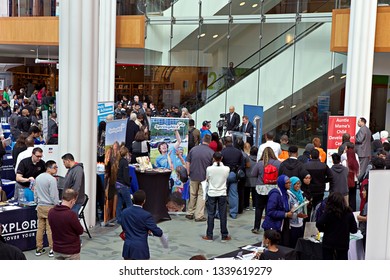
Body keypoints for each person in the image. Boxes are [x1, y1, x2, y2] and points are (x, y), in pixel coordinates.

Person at [121, 190, 163, 260]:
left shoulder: (125, 212)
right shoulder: (146, 215)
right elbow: (158, 232)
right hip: (140, 250)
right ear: (144, 201)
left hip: (127, 248)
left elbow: (124, 227)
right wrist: (149, 231)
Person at [316, 192, 358, 260]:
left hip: (328, 242)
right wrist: (346, 229)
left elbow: (318, 223)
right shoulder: (348, 212)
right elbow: (354, 230)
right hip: (343, 243)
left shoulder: (328, 212)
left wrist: (324, 230)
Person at [251, 147, 281, 234]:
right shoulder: (278, 163)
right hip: (273, 189)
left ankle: (256, 227)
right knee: (270, 208)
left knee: (259, 208)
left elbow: (253, 174)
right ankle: (269, 226)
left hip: (261, 188)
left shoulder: (260, 163)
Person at [33, 160, 60, 257]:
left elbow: (35, 192)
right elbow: (54, 195)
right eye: (55, 167)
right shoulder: (52, 180)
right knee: (50, 229)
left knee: (40, 228)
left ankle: (39, 248)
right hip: (49, 207)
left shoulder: (38, 177)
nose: (56, 169)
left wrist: (37, 202)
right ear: (49, 168)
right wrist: (57, 205)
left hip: (40, 206)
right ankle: (52, 249)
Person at [202, 152, 231, 242]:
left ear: (213, 158)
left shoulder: (209, 169)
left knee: (210, 214)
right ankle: (224, 235)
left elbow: (207, 179)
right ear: (221, 158)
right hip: (222, 192)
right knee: (223, 215)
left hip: (212, 192)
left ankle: (209, 235)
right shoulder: (226, 169)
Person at [48, 189, 84, 260]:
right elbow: (80, 231)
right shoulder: (71, 215)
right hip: (71, 251)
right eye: (74, 202)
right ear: (72, 201)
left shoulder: (51, 212)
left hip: (57, 249)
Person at [185, 134, 214, 222]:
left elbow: (187, 162)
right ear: (210, 142)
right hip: (204, 177)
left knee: (192, 194)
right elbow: (212, 167)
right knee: (202, 195)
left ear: (202, 140)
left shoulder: (193, 149)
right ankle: (199, 215)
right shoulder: (211, 152)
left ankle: (190, 212)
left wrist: (188, 172)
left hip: (193, 175)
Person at [262, 175, 295, 247]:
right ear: (282, 184)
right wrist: (285, 214)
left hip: (282, 225)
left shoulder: (286, 193)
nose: (290, 184)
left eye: (290, 182)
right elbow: (270, 211)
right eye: (287, 183)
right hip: (274, 226)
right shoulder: (275, 195)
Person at [221, 136, 244, 219]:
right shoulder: (238, 152)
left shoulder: (223, 152)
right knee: (233, 194)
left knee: (222, 193)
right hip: (234, 173)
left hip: (224, 174)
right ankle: (233, 213)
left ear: (225, 143)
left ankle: (221, 212)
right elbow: (242, 164)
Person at [288, 177, 307, 248]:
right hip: (292, 223)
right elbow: (289, 210)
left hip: (300, 222)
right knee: (293, 243)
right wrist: (297, 215)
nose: (298, 185)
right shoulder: (289, 195)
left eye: (299, 184)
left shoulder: (300, 193)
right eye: (295, 184)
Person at [116, 146, 133, 225]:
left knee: (119, 203)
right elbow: (125, 175)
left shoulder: (118, 161)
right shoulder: (125, 162)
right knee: (129, 203)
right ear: (126, 153)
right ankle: (130, 219)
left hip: (117, 184)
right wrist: (128, 183)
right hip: (123, 185)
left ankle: (119, 219)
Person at [341, 143, 360, 211]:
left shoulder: (344, 157)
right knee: (353, 196)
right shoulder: (356, 156)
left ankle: (346, 210)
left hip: (346, 180)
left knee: (346, 196)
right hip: (354, 179)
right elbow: (358, 170)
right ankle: (353, 210)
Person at [357, 185, 368, 251]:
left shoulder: (367, 204)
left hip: (365, 231)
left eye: (364, 190)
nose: (362, 192)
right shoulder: (366, 203)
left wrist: (359, 217)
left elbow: (367, 218)